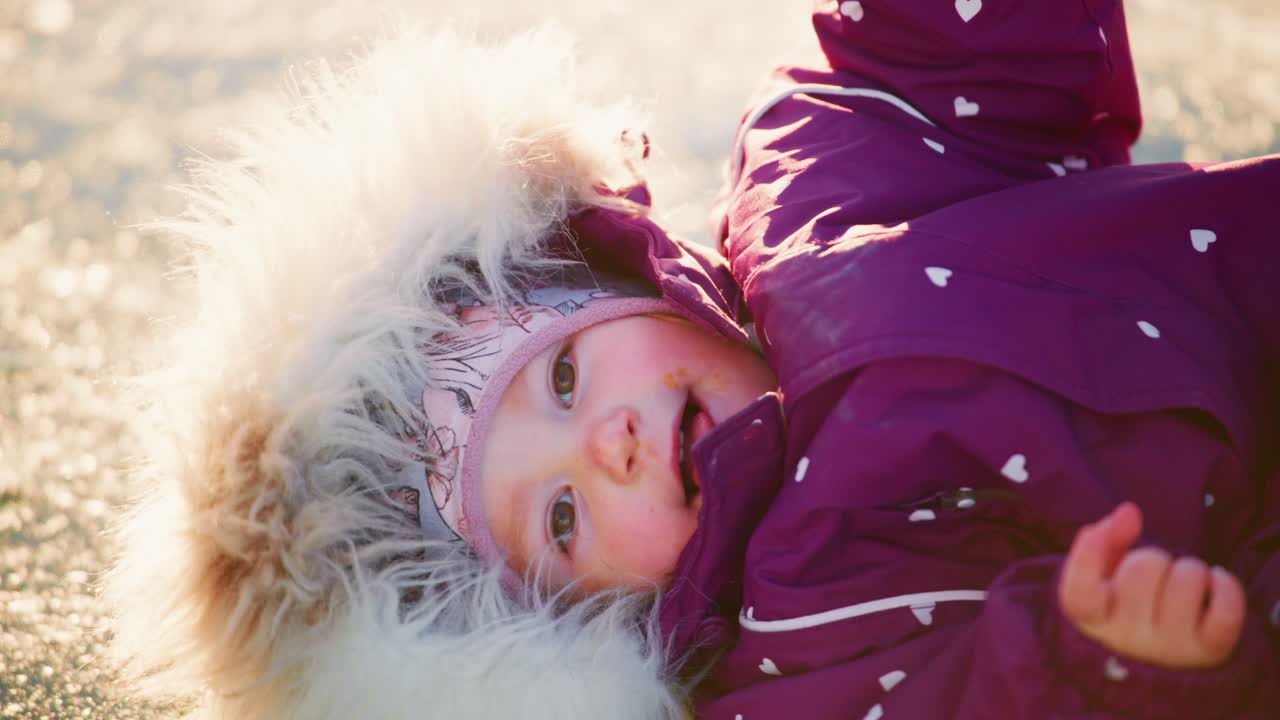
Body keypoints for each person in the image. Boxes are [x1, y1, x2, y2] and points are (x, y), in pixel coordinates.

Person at [104, 4, 1279, 720]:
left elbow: (957, 68)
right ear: (570, 626)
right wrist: (1108, 669)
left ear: (601, 282)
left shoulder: (822, 177)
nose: (606, 445)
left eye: (562, 379)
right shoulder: (786, 671)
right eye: (560, 518)